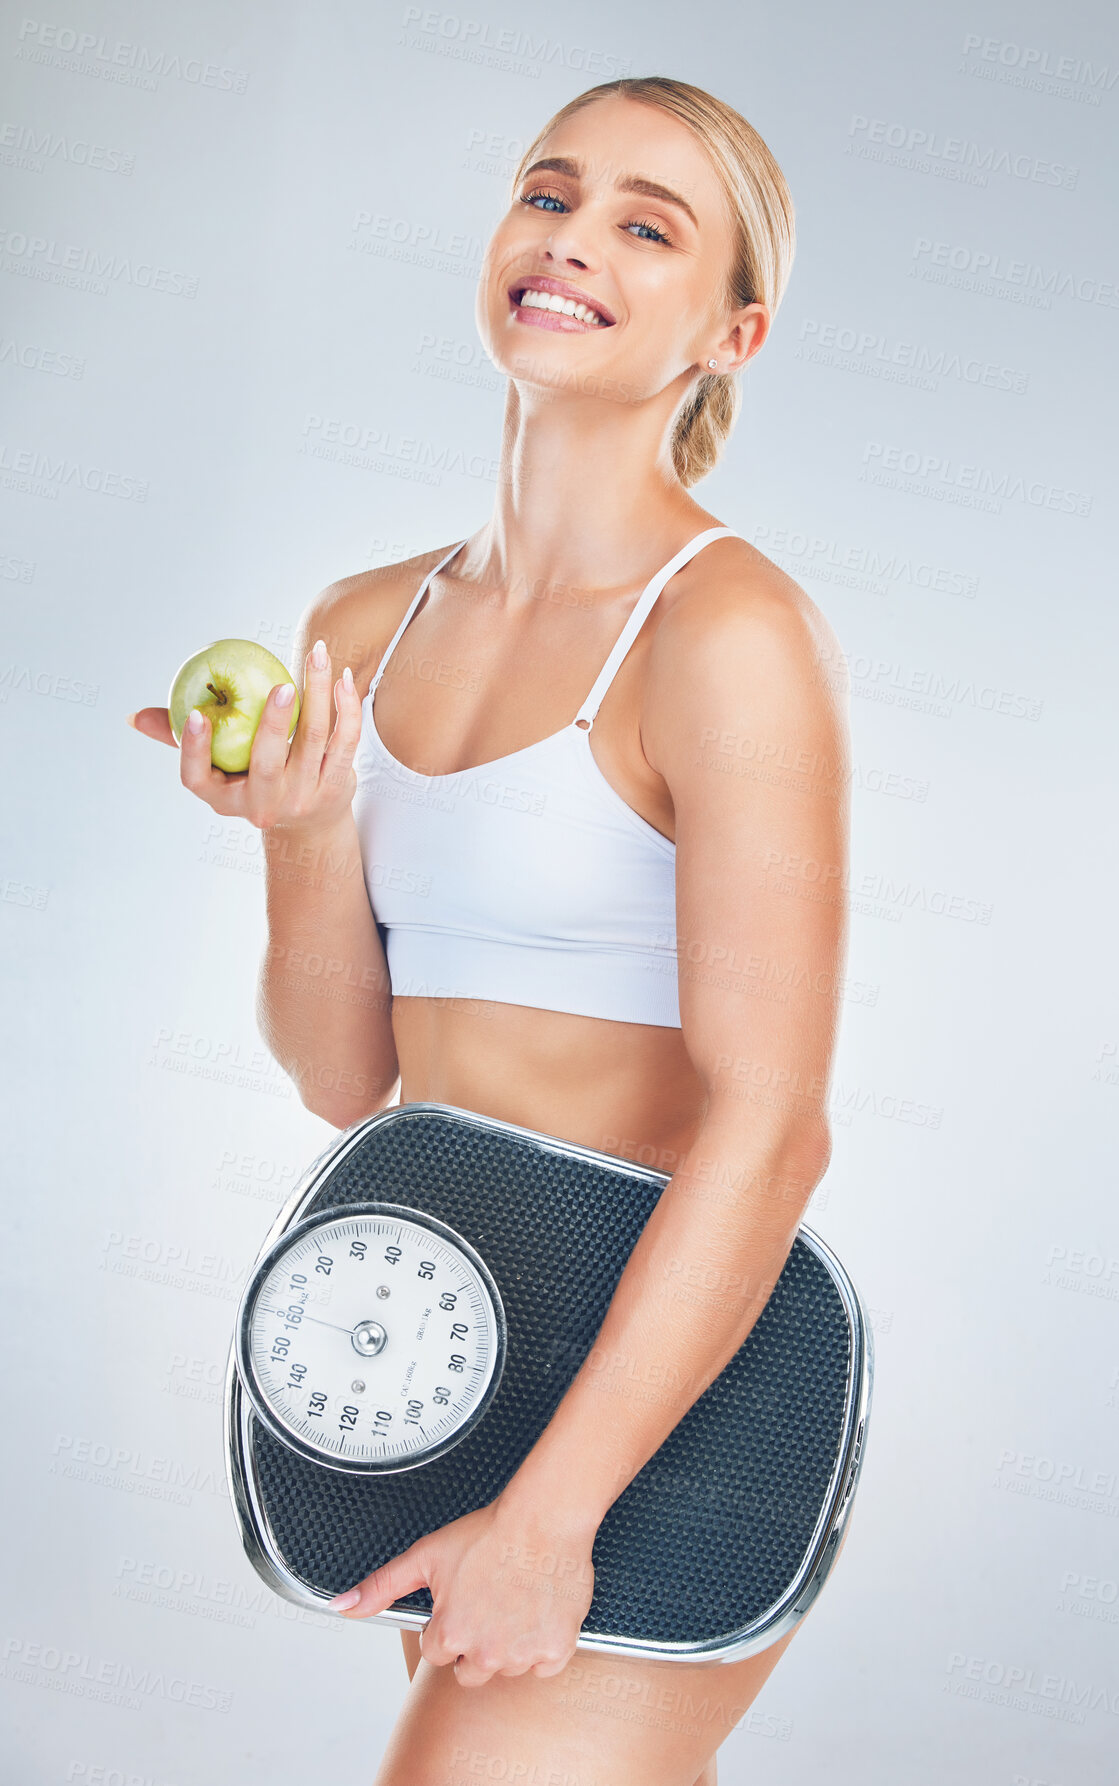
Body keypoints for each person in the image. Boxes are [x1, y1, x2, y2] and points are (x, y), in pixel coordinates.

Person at [130, 74, 853, 1786]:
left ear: (732, 334)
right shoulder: (364, 619)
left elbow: (774, 1123)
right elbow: (344, 1074)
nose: (570, 239)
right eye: (550, 191)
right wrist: (303, 838)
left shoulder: (726, 633)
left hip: (666, 1392)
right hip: (441, 1353)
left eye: (645, 226)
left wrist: (556, 1509)